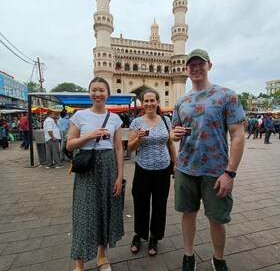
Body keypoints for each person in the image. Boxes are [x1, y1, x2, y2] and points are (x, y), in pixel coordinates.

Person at [171, 49, 246, 271]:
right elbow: (174, 130)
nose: (195, 68)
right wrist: (173, 134)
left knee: (217, 218)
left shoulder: (226, 96)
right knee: (188, 213)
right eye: (191, 65)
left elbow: (238, 135)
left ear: (209, 66)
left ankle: (218, 258)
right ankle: (188, 255)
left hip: (216, 171)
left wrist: (230, 173)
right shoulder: (181, 101)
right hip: (185, 168)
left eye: (200, 64)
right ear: (186, 70)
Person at [66, 77, 124, 271]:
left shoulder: (115, 119)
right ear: (89, 92)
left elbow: (117, 148)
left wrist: (119, 176)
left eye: (102, 90)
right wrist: (89, 136)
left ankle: (102, 256)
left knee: (105, 212)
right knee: (84, 215)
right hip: (87, 170)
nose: (98, 94)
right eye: (94, 90)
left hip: (108, 168)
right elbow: (69, 144)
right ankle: (79, 263)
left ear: (108, 94)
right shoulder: (80, 116)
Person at [128, 89, 176, 256]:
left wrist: (174, 163)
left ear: (157, 102)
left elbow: (170, 144)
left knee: (159, 205)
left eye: (152, 100)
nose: (149, 104)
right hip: (143, 169)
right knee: (140, 204)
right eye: (146, 101)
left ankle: (155, 236)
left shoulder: (165, 121)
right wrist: (138, 138)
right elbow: (130, 147)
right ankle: (139, 235)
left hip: (162, 169)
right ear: (143, 104)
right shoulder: (136, 122)